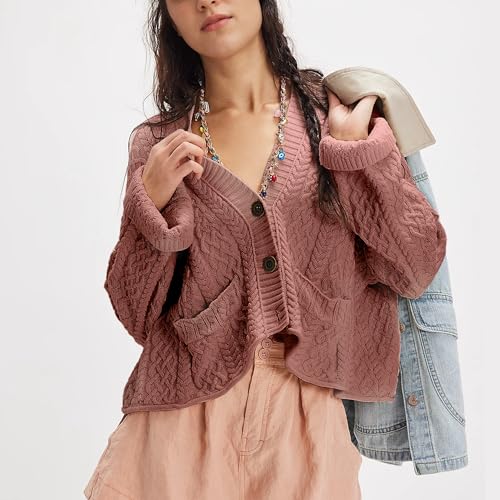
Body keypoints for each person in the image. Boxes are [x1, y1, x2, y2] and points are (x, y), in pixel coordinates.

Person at [84, 1, 447, 499]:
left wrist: (355, 156)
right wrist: (151, 201)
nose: (207, 1)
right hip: (178, 425)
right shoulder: (160, 142)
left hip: (308, 424)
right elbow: (135, 313)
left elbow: (417, 264)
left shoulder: (334, 119)